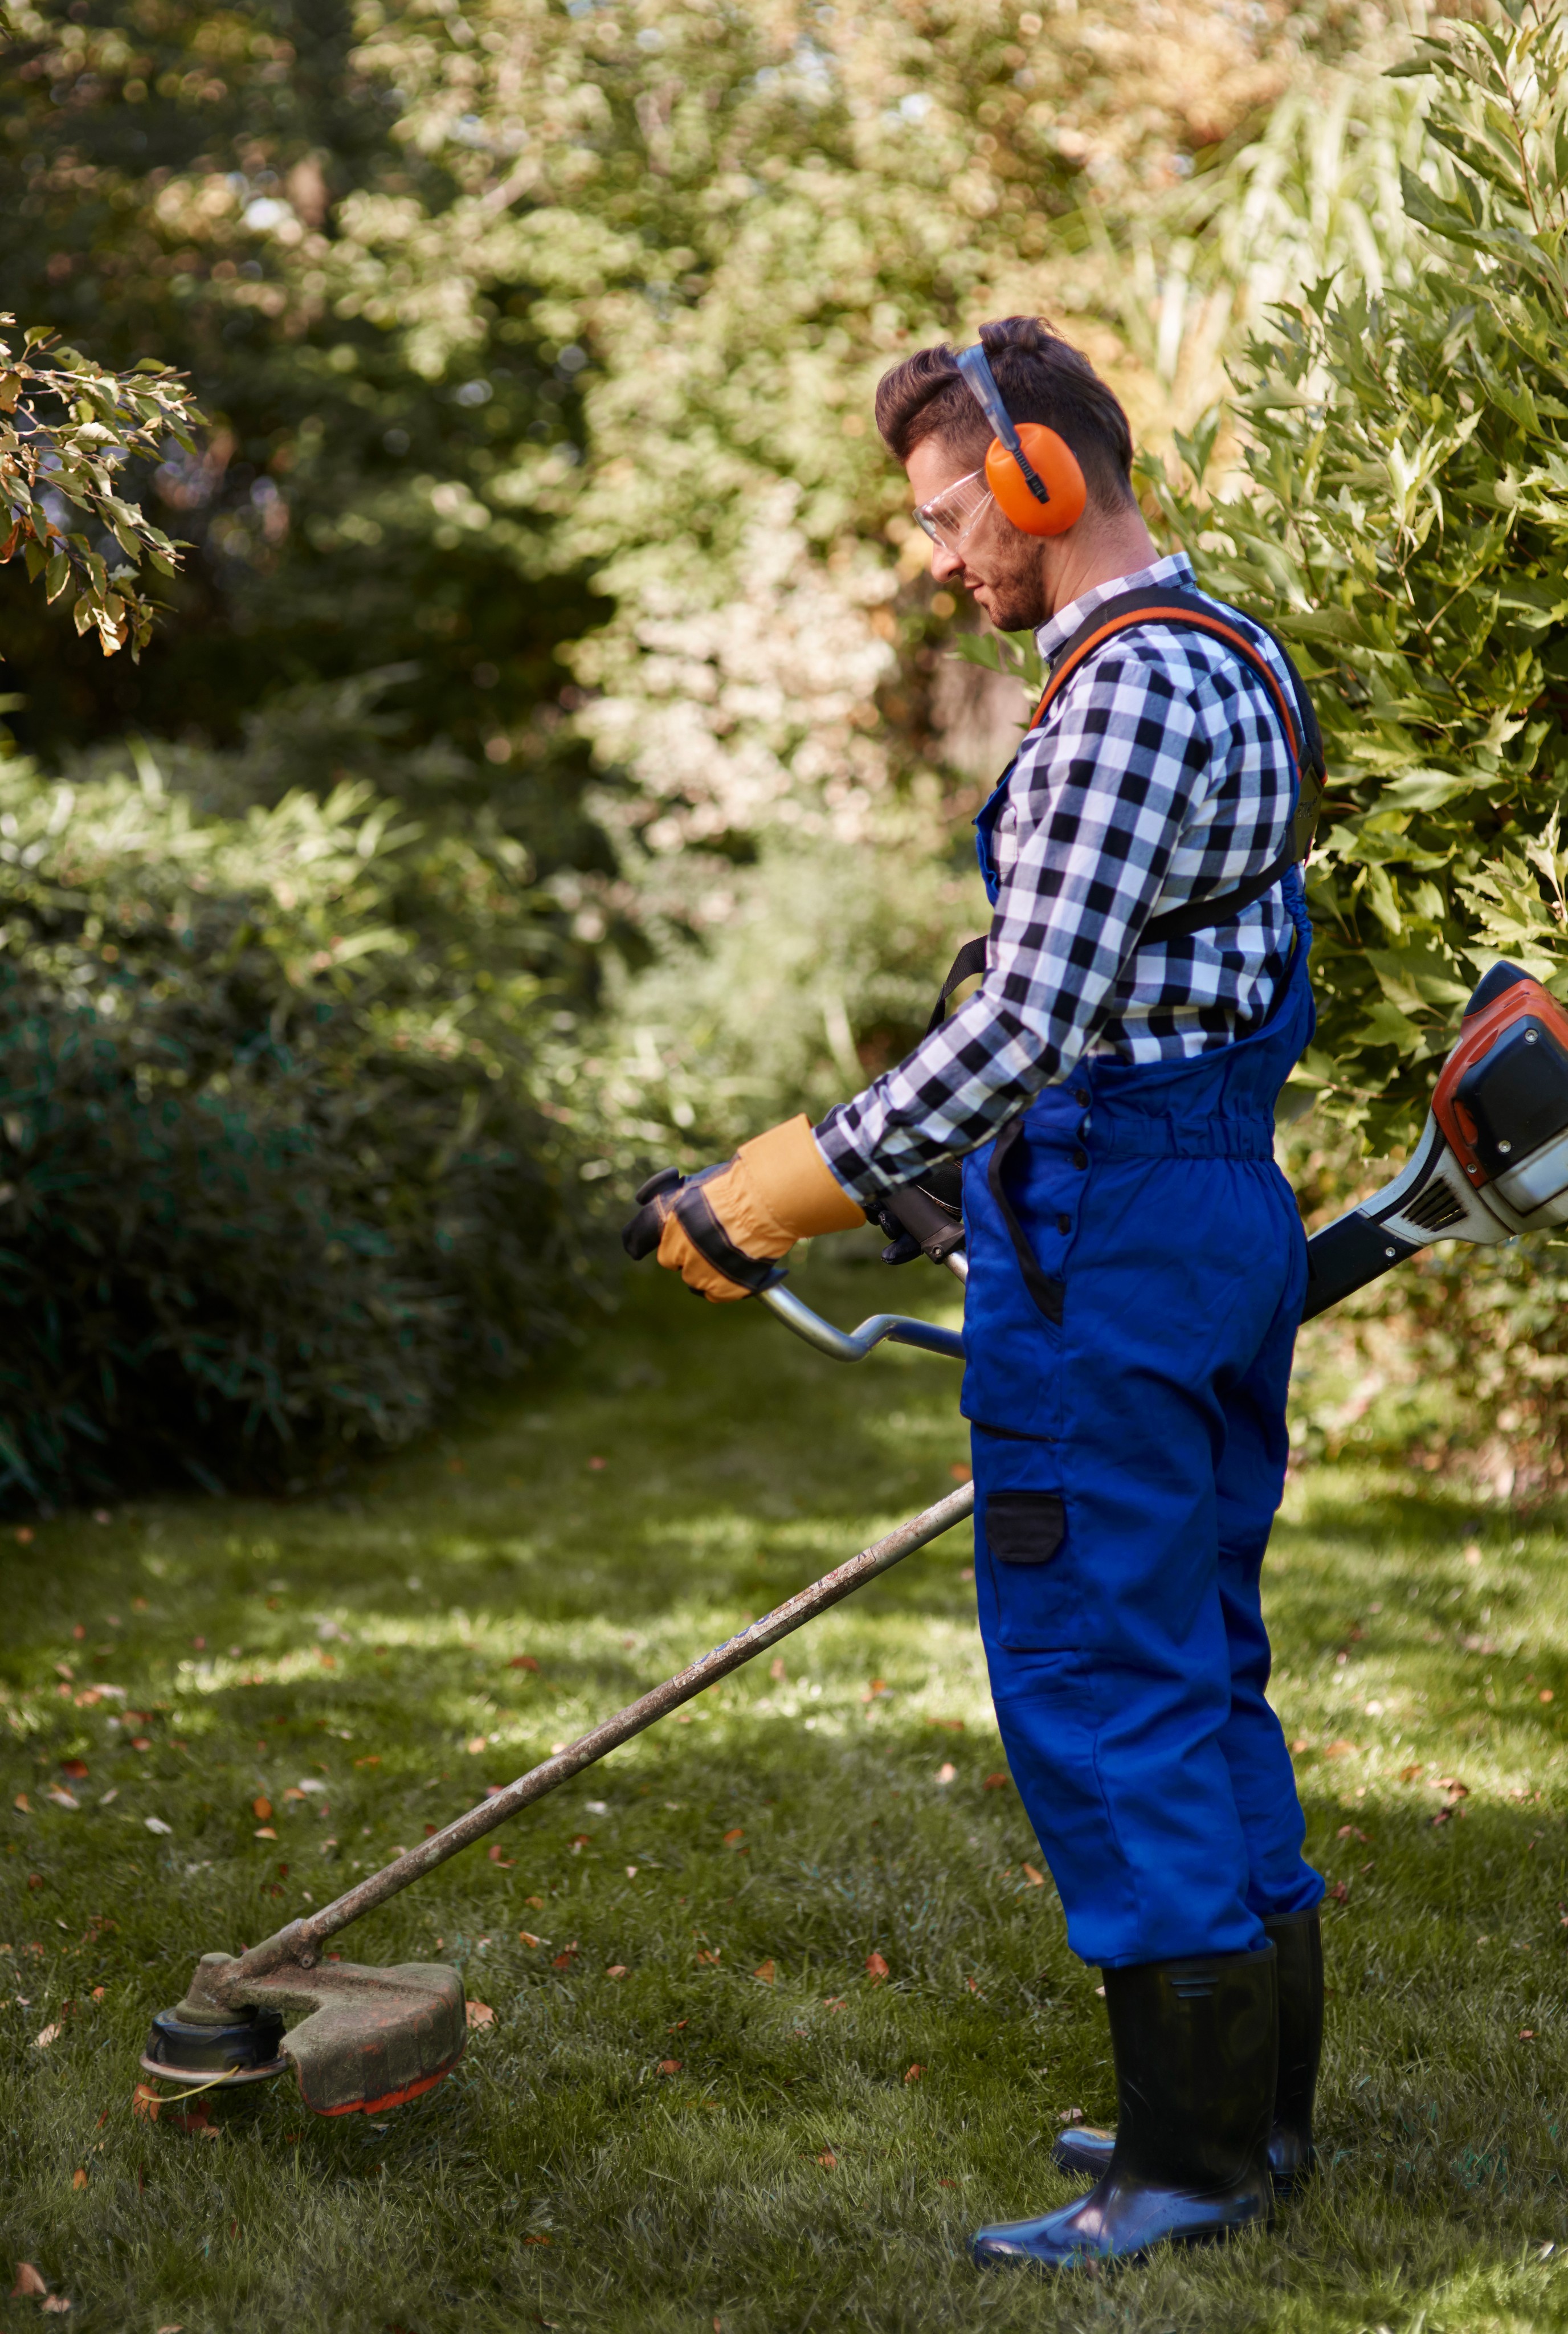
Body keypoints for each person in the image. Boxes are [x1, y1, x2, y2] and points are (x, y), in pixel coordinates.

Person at [623, 314, 1325, 2271]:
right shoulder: (1234, 659)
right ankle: (1250, 2121)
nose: (940, 558)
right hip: (1202, 1206)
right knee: (1203, 1653)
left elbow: (1028, 1021)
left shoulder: (1113, 701)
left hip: (1114, 1241)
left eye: (952, 516)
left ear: (1043, 480)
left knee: (1110, 1678)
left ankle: (1181, 2173)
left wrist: (783, 1187)